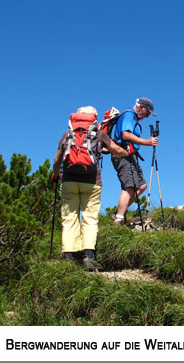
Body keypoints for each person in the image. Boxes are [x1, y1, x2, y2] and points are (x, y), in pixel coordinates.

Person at [52, 106, 128, 270]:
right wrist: (126, 152)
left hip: (68, 180)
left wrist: (55, 174)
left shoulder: (68, 134)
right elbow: (116, 150)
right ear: (93, 117)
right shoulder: (99, 133)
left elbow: (57, 159)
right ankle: (89, 257)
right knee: (90, 218)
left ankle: (69, 256)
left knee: (69, 218)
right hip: (92, 182)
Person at [111, 98, 158, 225]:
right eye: (147, 113)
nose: (147, 116)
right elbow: (125, 135)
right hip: (122, 153)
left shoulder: (133, 118)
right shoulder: (129, 115)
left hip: (130, 155)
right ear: (141, 107)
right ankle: (118, 221)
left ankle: (118, 212)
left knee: (141, 186)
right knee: (129, 187)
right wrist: (147, 142)